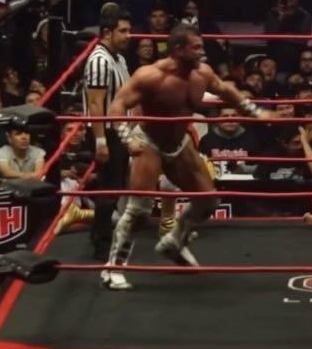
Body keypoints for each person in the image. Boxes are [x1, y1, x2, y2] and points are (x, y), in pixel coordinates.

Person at [101, 23, 274, 290]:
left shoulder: (202, 73)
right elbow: (117, 106)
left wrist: (256, 112)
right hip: (148, 140)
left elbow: (226, 91)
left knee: (208, 200)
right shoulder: (150, 75)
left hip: (179, 142)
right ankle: (113, 268)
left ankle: (174, 242)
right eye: (196, 47)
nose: (202, 52)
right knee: (139, 211)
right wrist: (127, 138)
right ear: (178, 49)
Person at [83, 3, 133, 261]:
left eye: (128, 30)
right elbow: (95, 103)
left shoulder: (119, 59)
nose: (128, 36)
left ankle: (106, 235)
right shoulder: (99, 61)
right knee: (108, 188)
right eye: (122, 31)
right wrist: (100, 140)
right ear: (106, 32)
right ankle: (100, 244)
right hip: (105, 132)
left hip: (119, 131)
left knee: (117, 186)